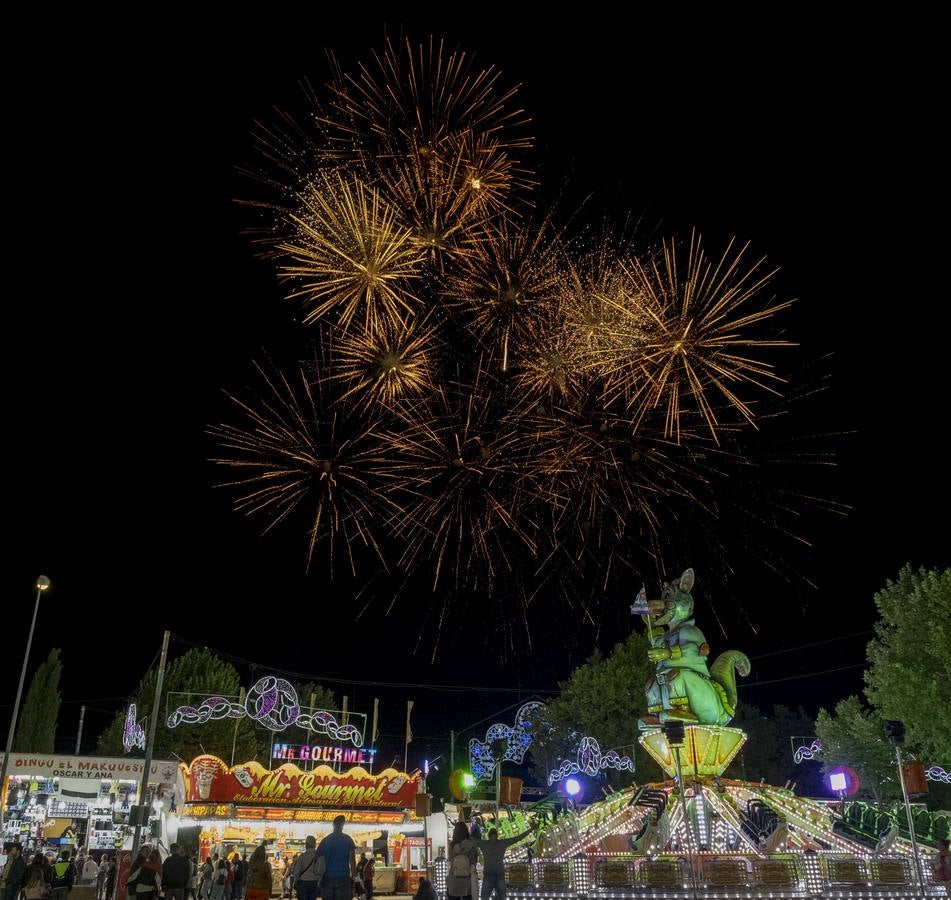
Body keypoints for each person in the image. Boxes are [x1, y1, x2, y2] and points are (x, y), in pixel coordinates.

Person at [473, 826, 534, 900]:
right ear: (496, 835)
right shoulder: (502, 843)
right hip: (499, 874)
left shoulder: (484, 844)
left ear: (488, 836)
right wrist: (531, 829)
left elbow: (471, 839)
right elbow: (518, 838)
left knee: (484, 897)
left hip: (489, 874)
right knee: (501, 897)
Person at [316, 816, 356, 900]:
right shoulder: (348, 840)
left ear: (333, 825)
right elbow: (352, 860)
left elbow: (317, 858)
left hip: (327, 877)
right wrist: (354, 877)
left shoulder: (326, 840)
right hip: (344, 877)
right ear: (343, 825)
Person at [448, 822, 477, 900]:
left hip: (454, 878)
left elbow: (451, 860)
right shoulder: (472, 844)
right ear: (466, 831)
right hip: (467, 879)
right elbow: (473, 861)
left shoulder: (452, 845)